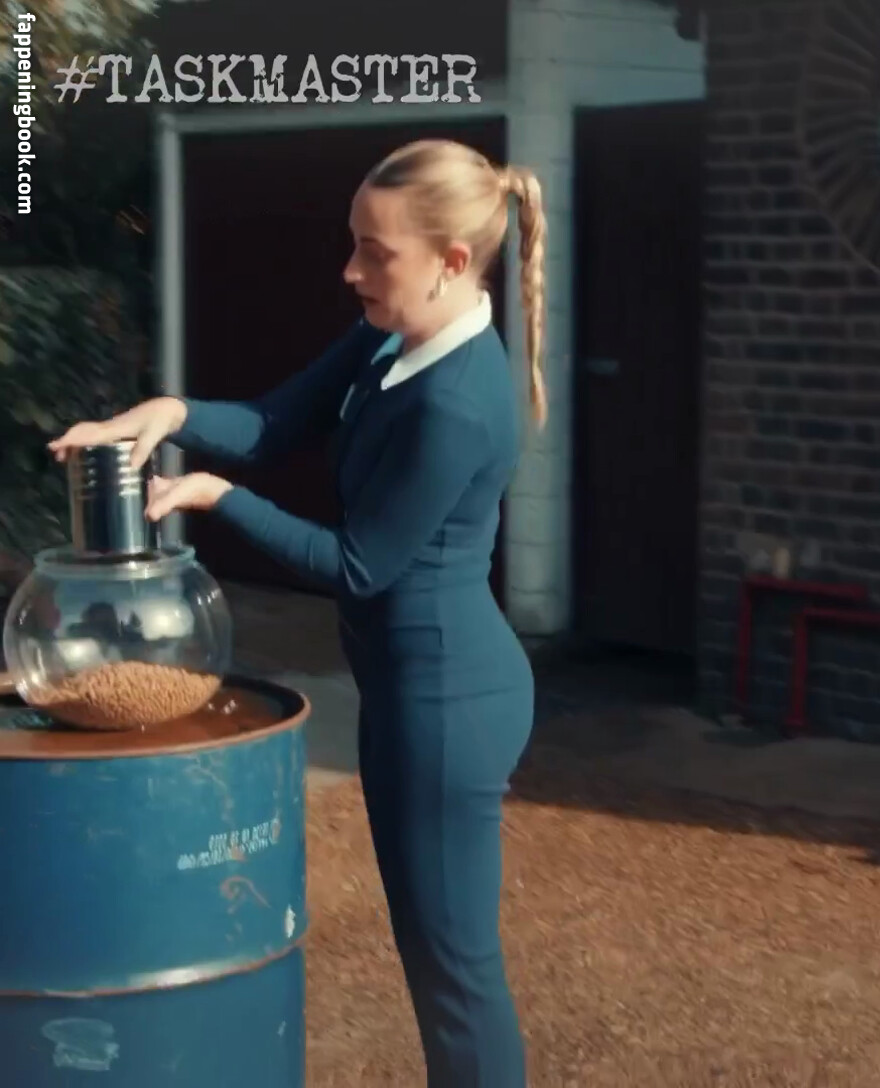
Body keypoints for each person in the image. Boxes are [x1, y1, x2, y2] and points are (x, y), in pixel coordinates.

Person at [49, 138, 546, 1088]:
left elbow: (360, 566)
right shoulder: (393, 336)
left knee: (456, 970)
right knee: (433, 958)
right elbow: (275, 421)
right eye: (353, 242)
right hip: (406, 690)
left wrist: (217, 499)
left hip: (450, 703)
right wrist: (168, 412)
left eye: (375, 252)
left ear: (450, 261)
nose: (350, 269)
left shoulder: (458, 401)